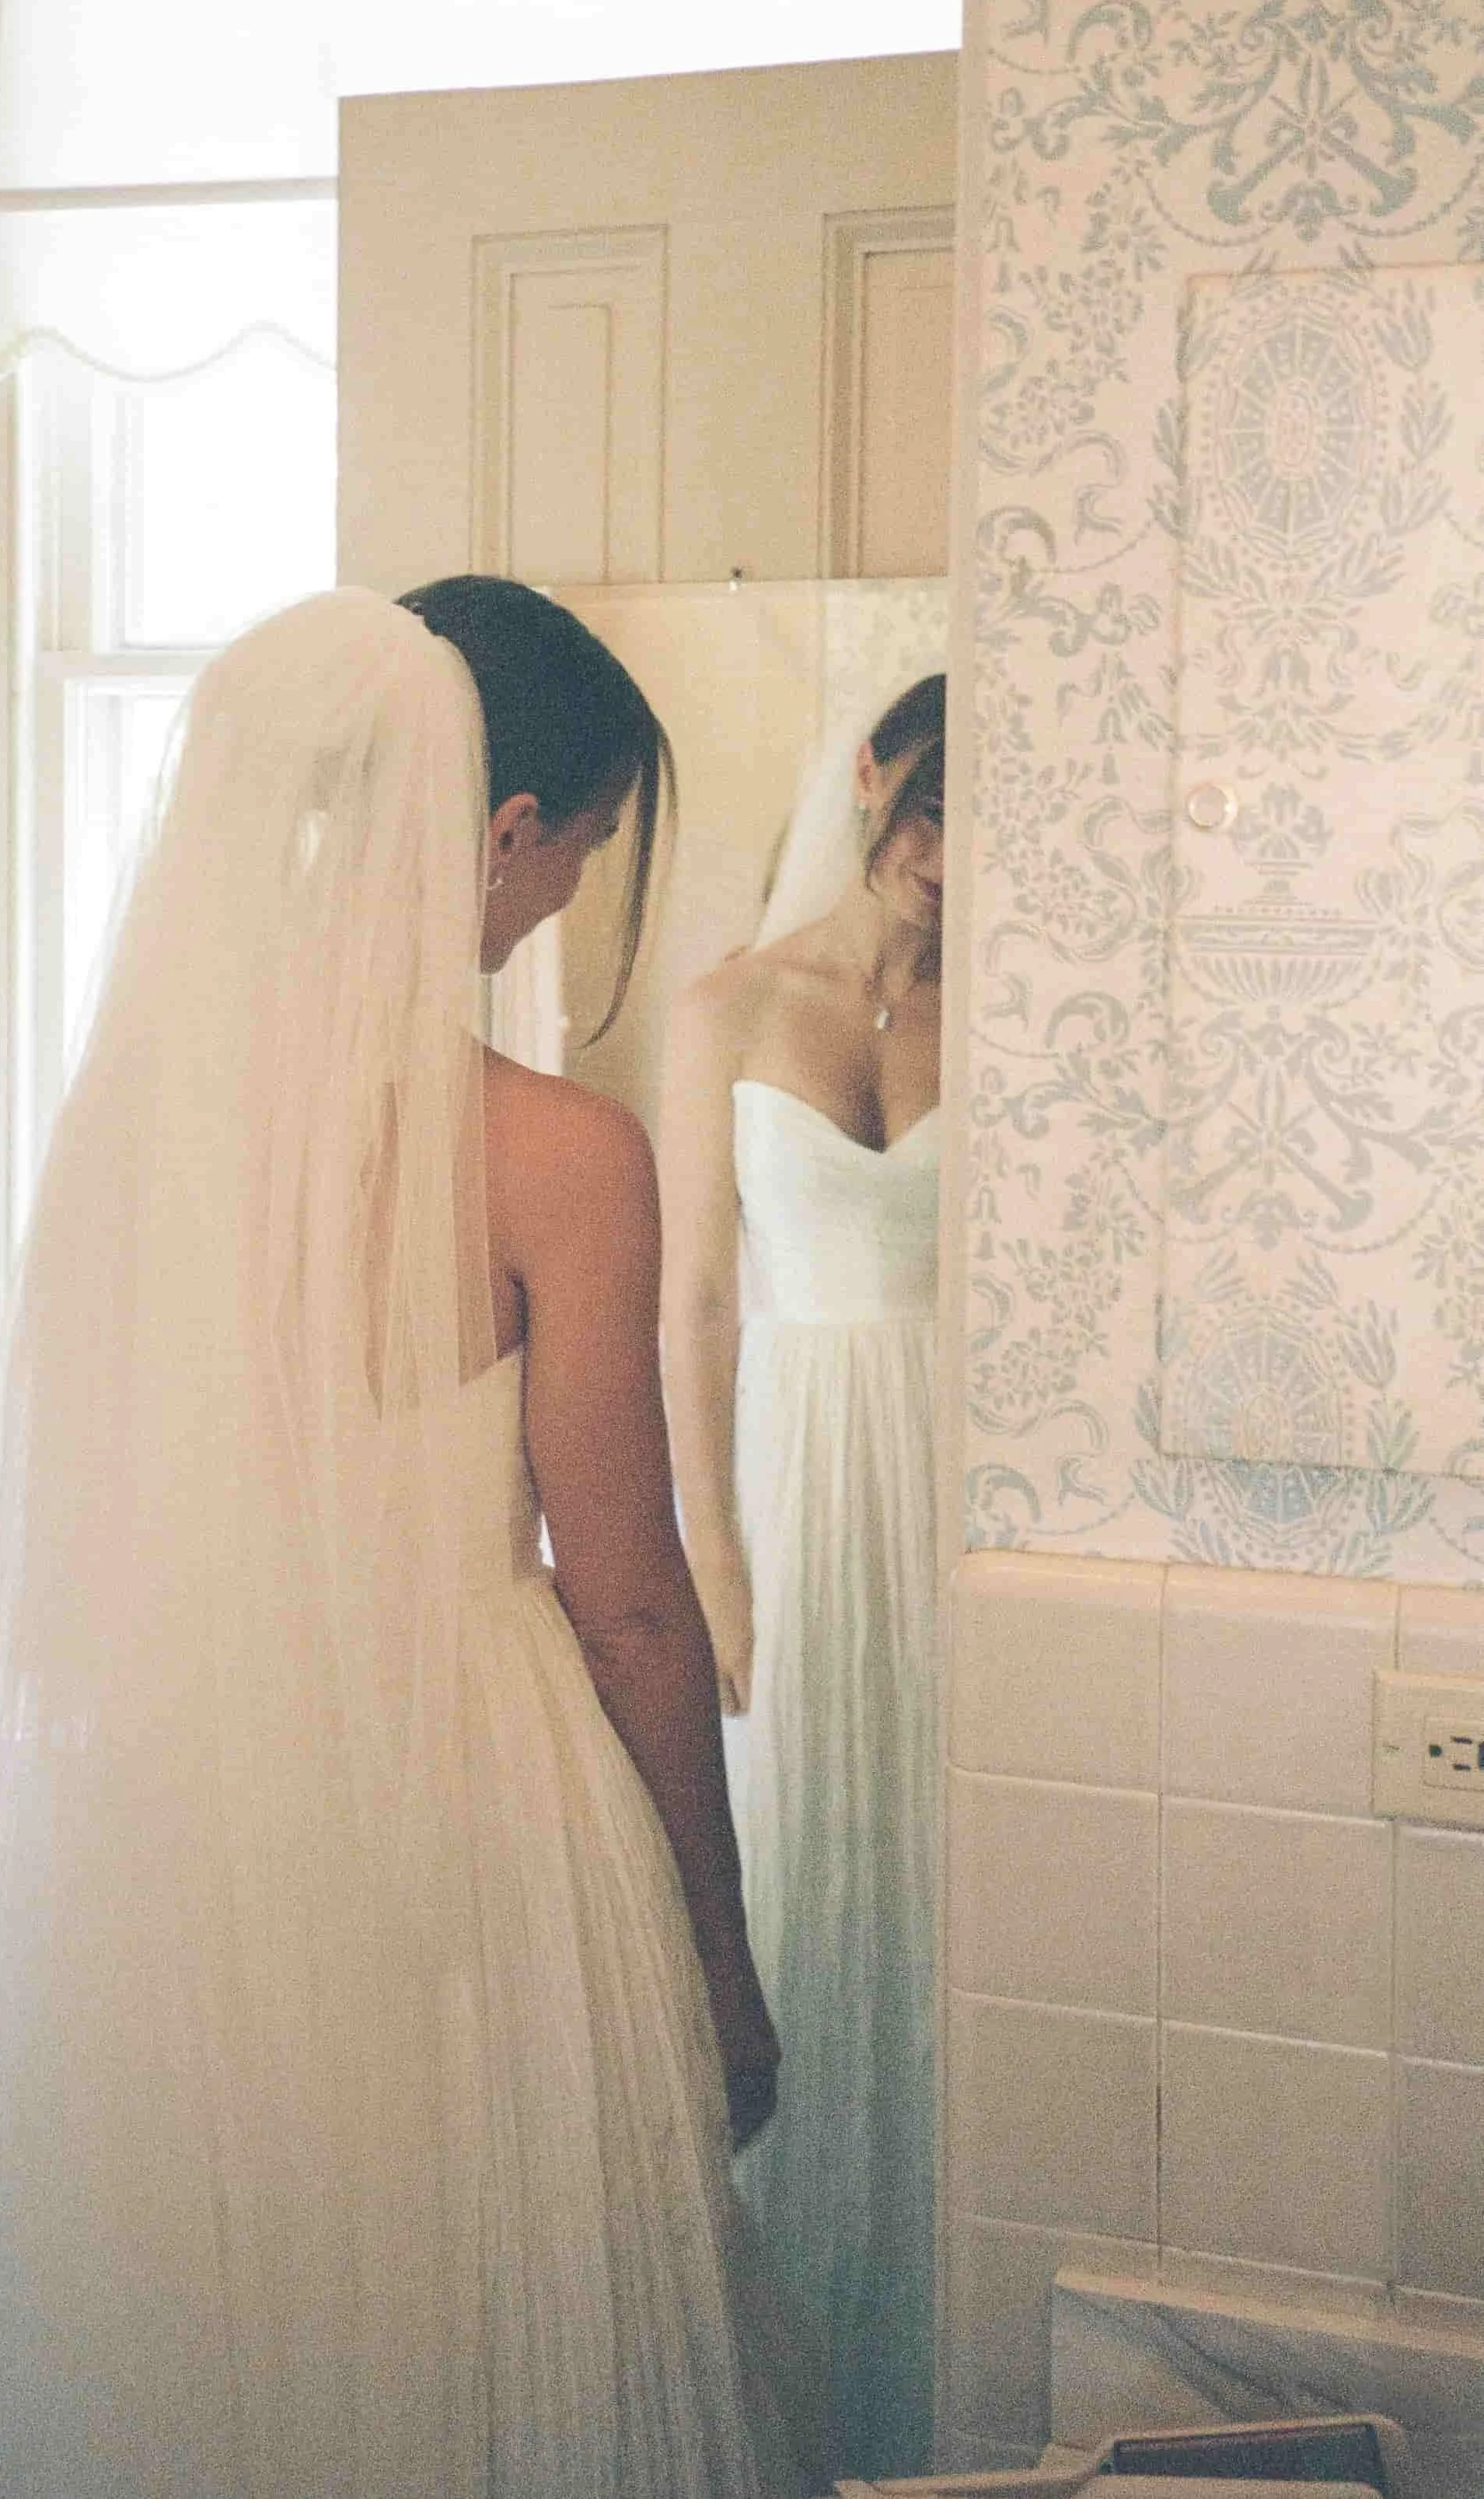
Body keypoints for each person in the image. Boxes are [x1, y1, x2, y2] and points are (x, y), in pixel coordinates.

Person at [0, 580, 807, 2499]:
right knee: (472, 2334)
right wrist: (717, 1949)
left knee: (205, 2322)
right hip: (464, 1808)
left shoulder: (130, 1122)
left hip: (185, 1805)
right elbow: (631, 1605)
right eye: (581, 856)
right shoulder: (555, 1152)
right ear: (497, 832)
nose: (560, 909)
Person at [660, 673, 946, 2484]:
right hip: (785, 1473)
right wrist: (709, 1556)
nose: (940, 865)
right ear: (866, 772)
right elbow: (691, 1296)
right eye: (925, 818)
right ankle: (779, 2423)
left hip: (948, 1478)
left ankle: (934, 2407)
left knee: (936, 1909)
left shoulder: (1024, 1005)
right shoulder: (729, 1006)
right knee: (796, 1896)